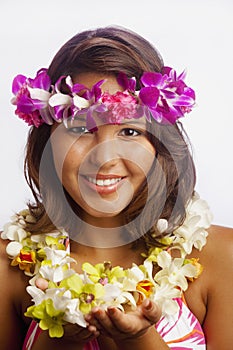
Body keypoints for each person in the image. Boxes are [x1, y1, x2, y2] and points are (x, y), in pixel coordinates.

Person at [0, 26, 233, 350]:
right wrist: (59, 340)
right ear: (48, 141)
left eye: (129, 132)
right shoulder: (10, 265)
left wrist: (138, 339)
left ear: (158, 143)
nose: (105, 158)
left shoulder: (222, 257)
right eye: (81, 127)